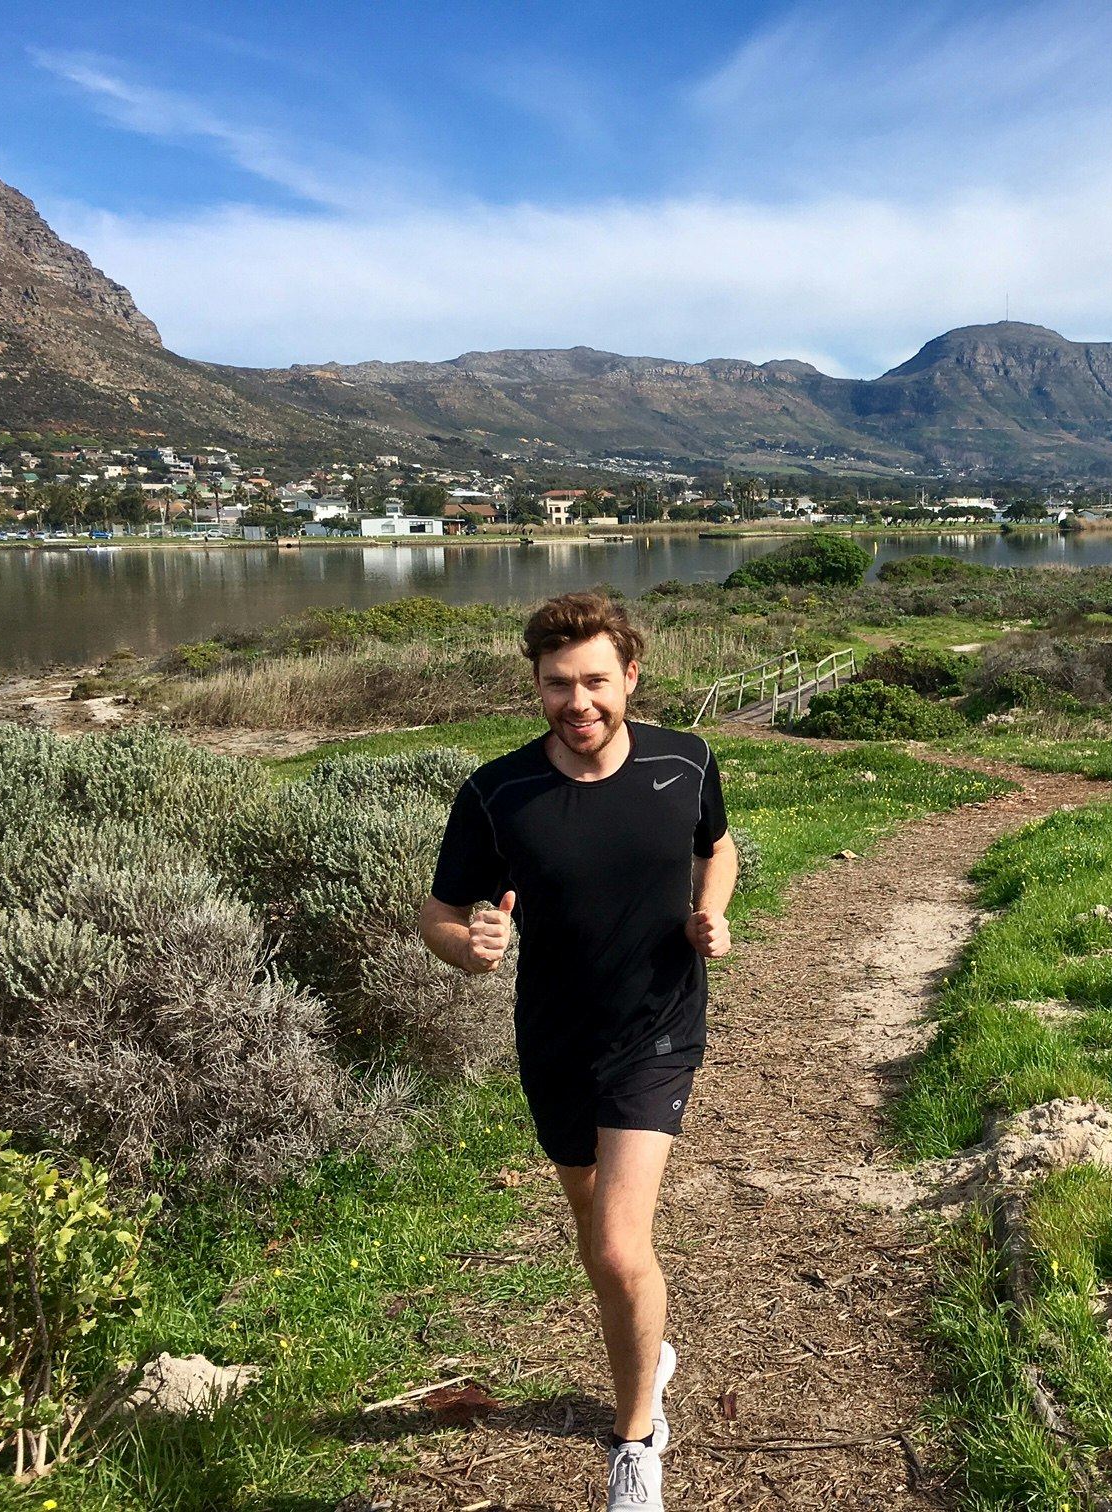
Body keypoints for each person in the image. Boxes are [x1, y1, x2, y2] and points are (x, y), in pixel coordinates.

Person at [420, 590, 737, 1510]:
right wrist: (470, 947)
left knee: (617, 1245)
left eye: (596, 680)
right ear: (538, 686)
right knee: (598, 1236)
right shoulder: (499, 793)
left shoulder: (684, 760)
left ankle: (635, 1444)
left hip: (658, 1030)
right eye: (558, 684)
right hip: (556, 1039)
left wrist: (710, 913)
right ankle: (648, 1347)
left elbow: (717, 849)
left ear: (630, 676)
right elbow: (438, 915)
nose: (579, 701)